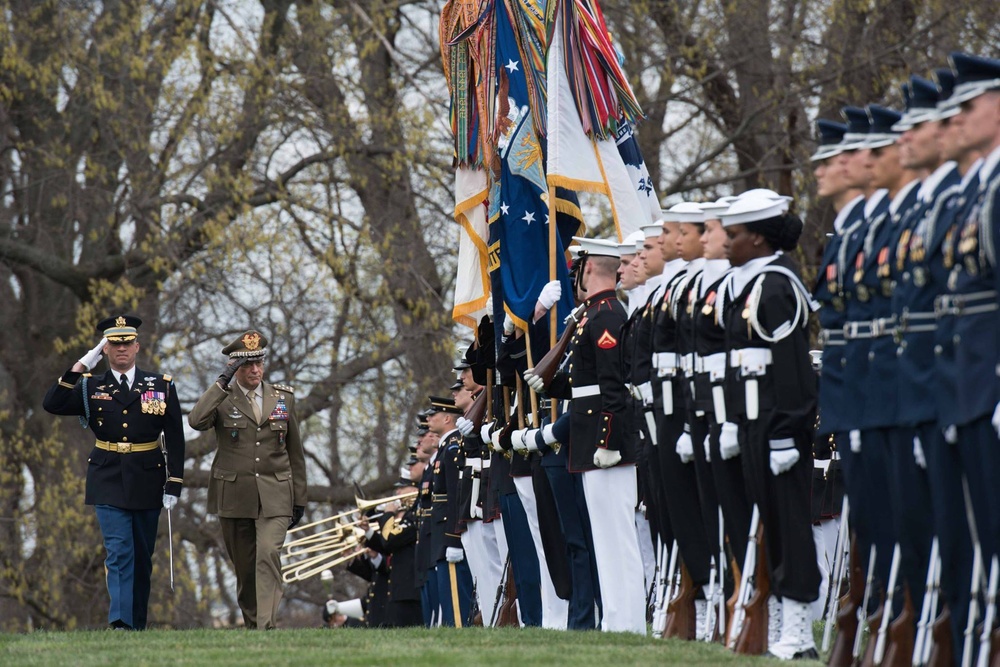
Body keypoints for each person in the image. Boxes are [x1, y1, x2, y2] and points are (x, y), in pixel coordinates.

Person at [718, 194, 821, 659]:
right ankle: (778, 617)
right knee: (769, 527)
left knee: (789, 526)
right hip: (754, 421)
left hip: (778, 425)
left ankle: (799, 630)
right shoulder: (752, 282)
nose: (726, 242)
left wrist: (785, 431)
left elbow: (793, 370)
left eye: (734, 234)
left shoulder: (777, 286)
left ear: (757, 237)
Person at [527, 236, 647, 634]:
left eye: (577, 266)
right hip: (589, 441)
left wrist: (609, 442)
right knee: (605, 540)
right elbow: (586, 383)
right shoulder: (592, 315)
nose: (574, 273)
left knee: (617, 540)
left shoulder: (608, 314)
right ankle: (616, 621)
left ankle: (627, 622)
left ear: (590, 268)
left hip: (603, 444)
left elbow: (614, 388)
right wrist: (552, 386)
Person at [43, 314, 185, 630]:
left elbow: (175, 435)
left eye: (127, 343)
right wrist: (82, 363)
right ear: (105, 349)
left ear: (137, 346)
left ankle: (137, 623)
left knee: (141, 555)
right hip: (106, 476)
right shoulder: (89, 386)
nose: (121, 349)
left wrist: (174, 482)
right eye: (114, 344)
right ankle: (120, 622)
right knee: (119, 551)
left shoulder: (159, 385)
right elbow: (51, 403)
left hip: (148, 476)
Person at [187, 330, 307, 629]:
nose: (254, 370)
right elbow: (196, 420)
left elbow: (296, 453)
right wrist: (220, 382)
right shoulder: (222, 399)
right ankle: (254, 624)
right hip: (235, 494)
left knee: (268, 553)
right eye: (246, 365)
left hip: (276, 493)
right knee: (245, 568)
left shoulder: (283, 398)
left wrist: (300, 498)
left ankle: (266, 627)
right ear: (234, 368)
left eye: (259, 363)